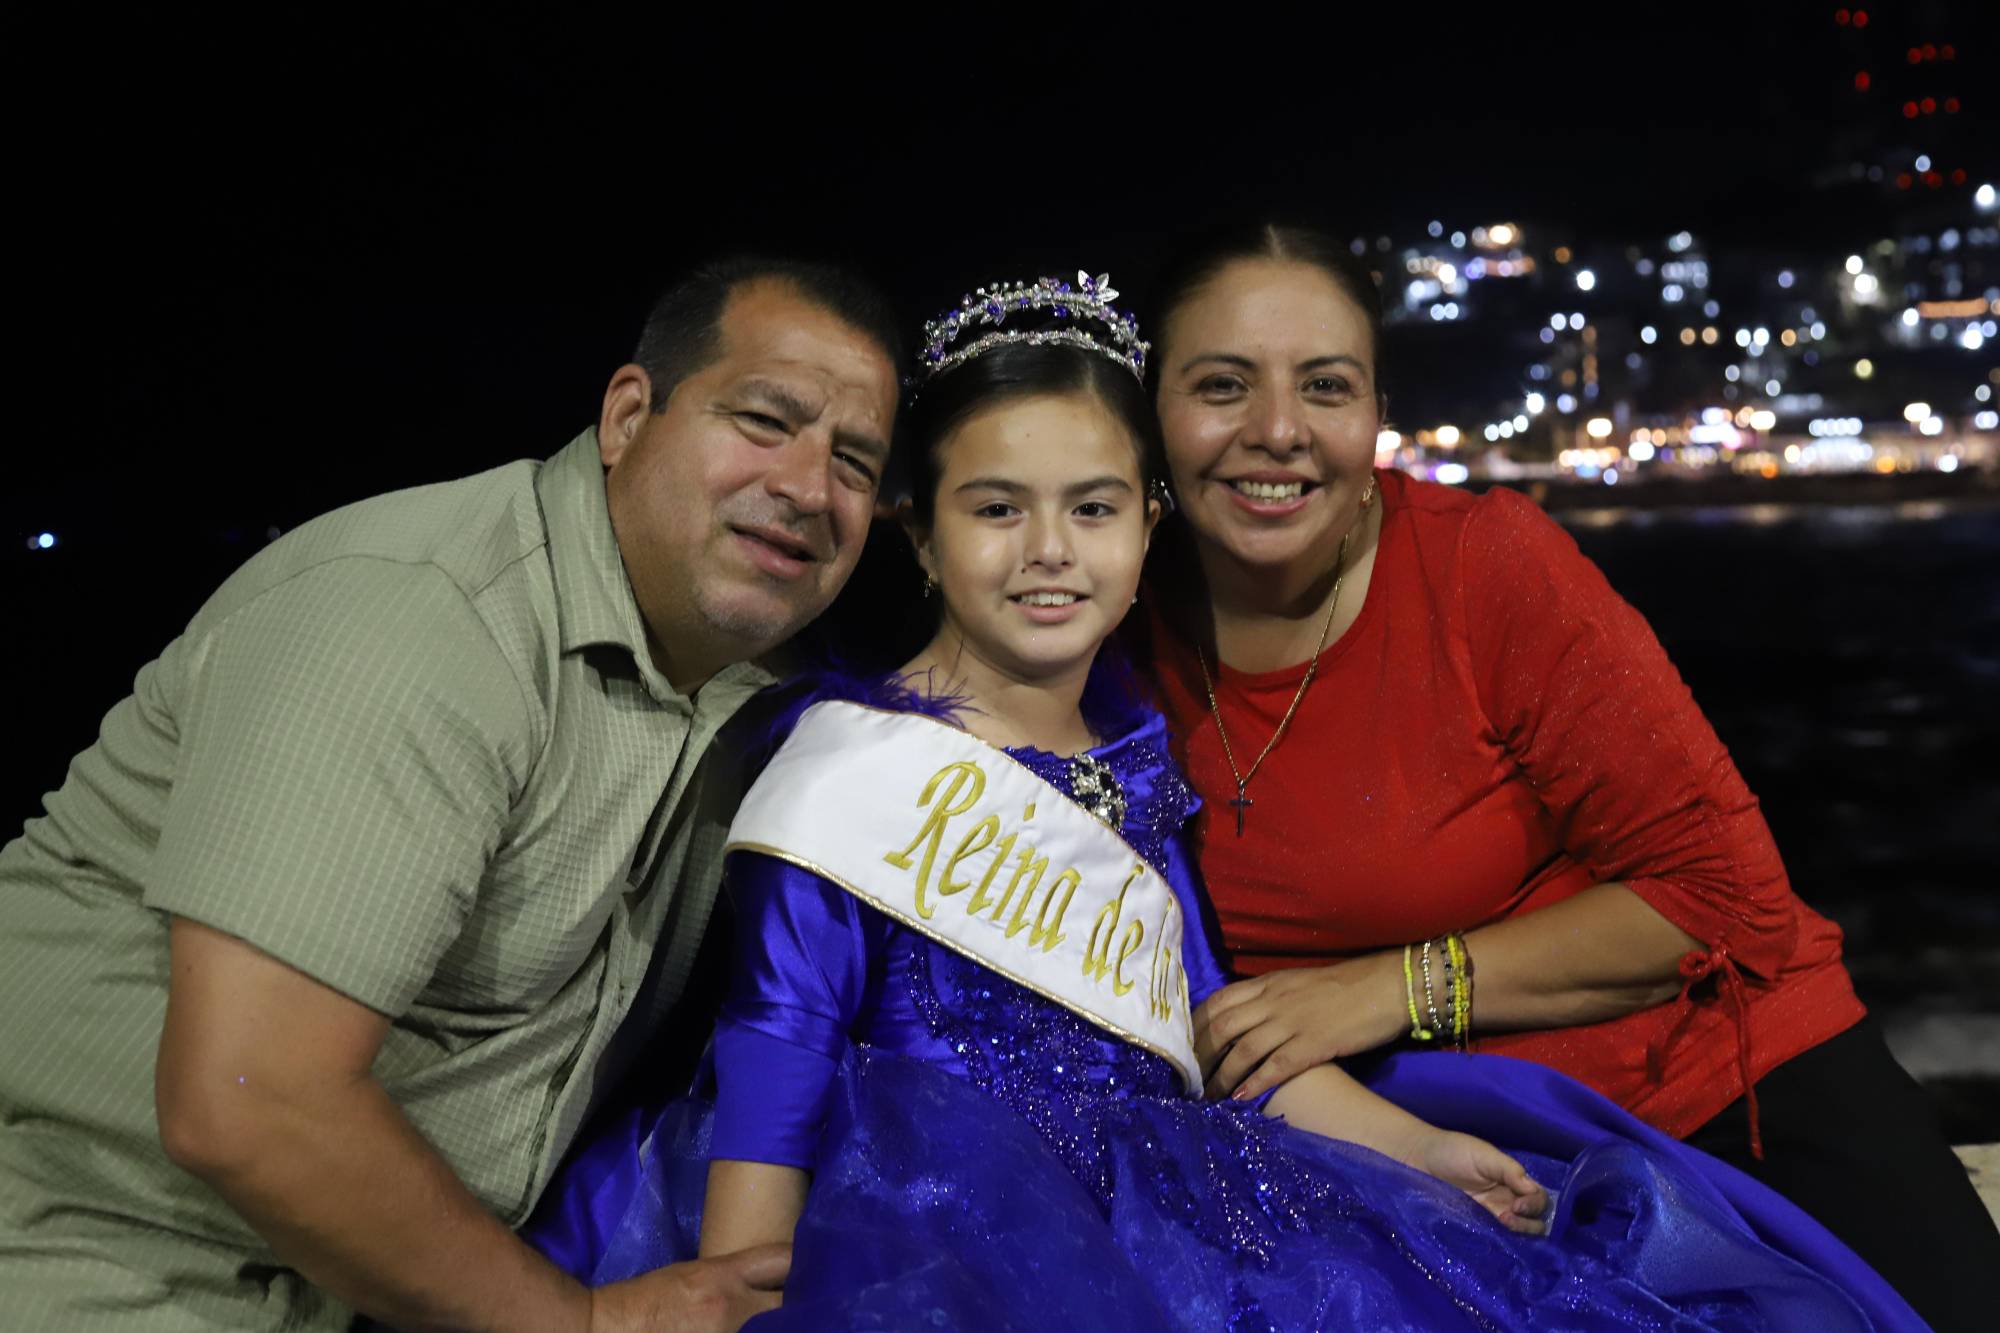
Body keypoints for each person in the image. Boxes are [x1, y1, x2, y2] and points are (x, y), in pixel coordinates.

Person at [527, 272, 1924, 1331]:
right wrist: (739, 1281)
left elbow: (1204, 1015)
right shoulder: (847, 761)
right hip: (923, 1224)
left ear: (1150, 518)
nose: (1048, 555)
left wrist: (1417, 1144)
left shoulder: (1138, 751)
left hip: (1170, 1186)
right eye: (996, 509)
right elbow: (777, 1042)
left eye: (1091, 508)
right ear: (920, 527)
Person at [0, 256, 901, 1331]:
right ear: (626, 416)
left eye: (853, 461)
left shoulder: (773, 698)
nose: (806, 486)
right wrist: (585, 1323)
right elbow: (251, 1107)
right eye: (763, 420)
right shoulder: (422, 621)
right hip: (94, 1254)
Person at [1131, 222, 2000, 1331]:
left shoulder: (1479, 567)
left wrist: (1383, 988)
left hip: (1702, 1087)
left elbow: (1714, 896)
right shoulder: (1110, 624)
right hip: (1389, 1131)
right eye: (1220, 385)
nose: (1277, 431)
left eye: (1326, 386)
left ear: (1374, 418)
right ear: (1148, 414)